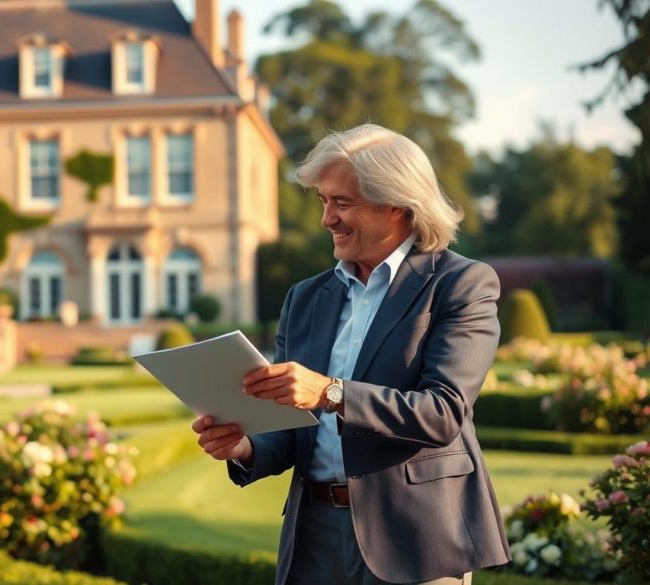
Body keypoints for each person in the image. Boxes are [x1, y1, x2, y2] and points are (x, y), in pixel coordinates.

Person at [192, 123, 510, 585]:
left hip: (414, 537)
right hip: (313, 536)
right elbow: (290, 429)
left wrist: (330, 393)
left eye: (343, 202)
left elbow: (443, 413)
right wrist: (243, 447)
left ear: (398, 204)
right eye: (324, 201)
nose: (327, 219)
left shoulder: (461, 284)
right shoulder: (304, 298)